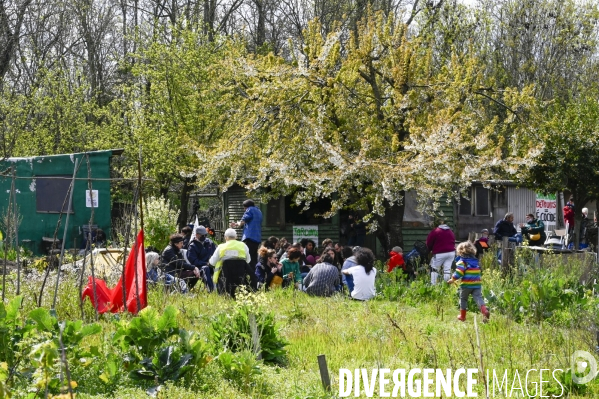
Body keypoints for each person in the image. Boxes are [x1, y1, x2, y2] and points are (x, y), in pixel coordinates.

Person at [447, 241, 489, 322]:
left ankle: (462, 316)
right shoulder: (475, 261)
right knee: (478, 298)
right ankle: (484, 311)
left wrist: (453, 279)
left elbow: (459, 272)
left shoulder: (462, 261)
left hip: (466, 285)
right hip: (477, 284)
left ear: (460, 251)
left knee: (463, 299)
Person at [210, 228, 254, 298]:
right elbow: (248, 261)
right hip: (241, 277)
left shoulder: (220, 247)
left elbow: (212, 262)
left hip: (225, 279)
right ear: (236, 237)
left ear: (225, 237)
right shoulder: (243, 246)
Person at [231, 199, 263, 270]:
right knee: (254, 259)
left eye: (244, 208)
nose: (244, 209)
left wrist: (236, 224)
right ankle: (255, 276)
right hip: (257, 238)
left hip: (250, 237)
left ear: (246, 207)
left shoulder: (249, 209)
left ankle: (247, 276)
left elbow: (244, 220)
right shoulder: (259, 211)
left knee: (247, 257)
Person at [426, 219, 456, 284]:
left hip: (439, 253)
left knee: (435, 269)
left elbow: (429, 243)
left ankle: (433, 285)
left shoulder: (435, 231)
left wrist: (430, 250)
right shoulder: (451, 232)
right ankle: (446, 284)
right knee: (447, 270)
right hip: (451, 252)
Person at [188, 226, 217, 292]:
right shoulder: (192, 246)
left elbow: (215, 253)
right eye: (202, 235)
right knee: (205, 268)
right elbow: (194, 261)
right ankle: (211, 290)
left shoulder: (209, 242)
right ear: (197, 235)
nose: (204, 236)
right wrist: (205, 263)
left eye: (205, 235)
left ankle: (222, 289)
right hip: (199, 267)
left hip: (211, 264)